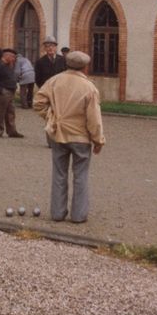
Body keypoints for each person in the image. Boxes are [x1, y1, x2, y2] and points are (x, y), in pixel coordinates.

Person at [33, 51, 105, 223]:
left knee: (59, 174)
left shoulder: (54, 80)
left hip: (58, 134)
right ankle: (78, 215)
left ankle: (57, 213)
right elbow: (94, 118)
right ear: (85, 66)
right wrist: (98, 140)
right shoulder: (89, 87)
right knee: (81, 176)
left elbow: (38, 102)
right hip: (81, 137)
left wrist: (51, 117)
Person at [0, 48, 24, 138]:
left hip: (10, 91)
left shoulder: (8, 65)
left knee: (11, 112)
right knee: (1, 113)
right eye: (12, 57)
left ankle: (12, 131)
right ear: (6, 56)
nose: (14, 59)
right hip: (3, 92)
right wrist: (1, 91)